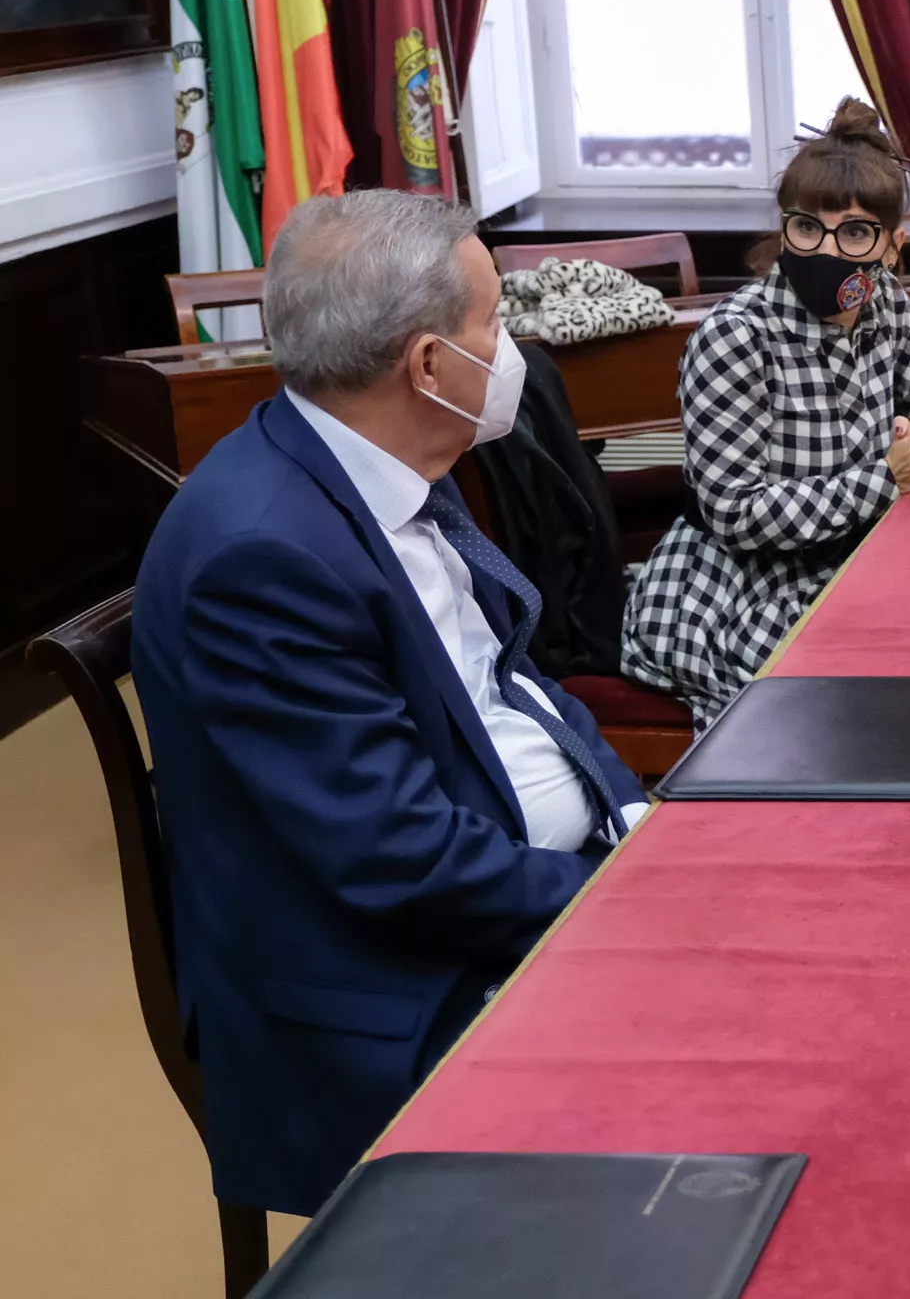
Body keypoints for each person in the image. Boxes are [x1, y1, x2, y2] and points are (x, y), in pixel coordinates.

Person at [133, 190, 648, 1217]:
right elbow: (396, 859)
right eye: (494, 326)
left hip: (511, 874)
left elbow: (515, 681)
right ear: (426, 366)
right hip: (392, 992)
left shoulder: (389, 457)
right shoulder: (261, 556)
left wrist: (631, 820)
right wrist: (624, 910)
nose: (511, 351)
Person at [622, 100, 910, 719]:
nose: (827, 250)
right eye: (808, 228)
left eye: (857, 233)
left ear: (893, 247)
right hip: (739, 589)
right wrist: (888, 477)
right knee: (880, 695)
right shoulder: (735, 335)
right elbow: (735, 513)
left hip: (857, 555)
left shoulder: (885, 300)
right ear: (785, 227)